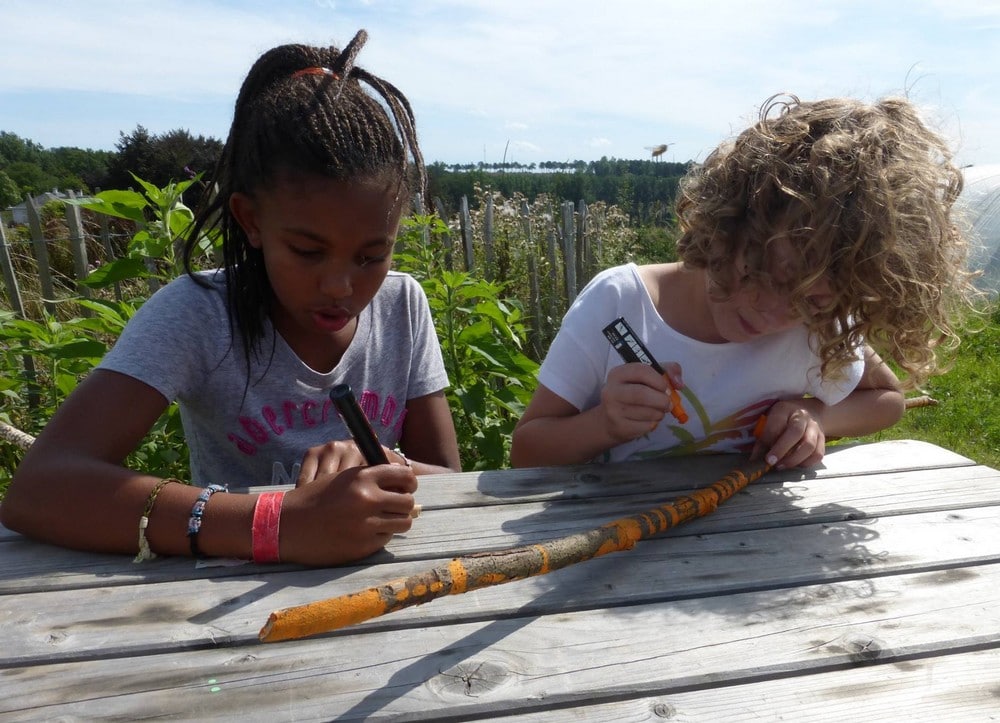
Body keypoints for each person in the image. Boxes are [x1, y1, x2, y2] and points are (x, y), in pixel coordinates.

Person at [2, 30, 460, 567]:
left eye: (371, 256)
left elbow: (451, 481)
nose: (340, 287)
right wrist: (277, 525)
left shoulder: (402, 305)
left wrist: (385, 459)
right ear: (250, 220)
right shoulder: (198, 314)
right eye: (308, 251)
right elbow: (41, 489)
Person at [511, 94, 977, 471]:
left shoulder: (817, 321)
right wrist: (604, 425)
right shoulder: (620, 303)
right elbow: (527, 451)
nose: (775, 312)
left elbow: (887, 399)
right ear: (724, 227)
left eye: (808, 300)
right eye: (762, 274)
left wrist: (819, 413)